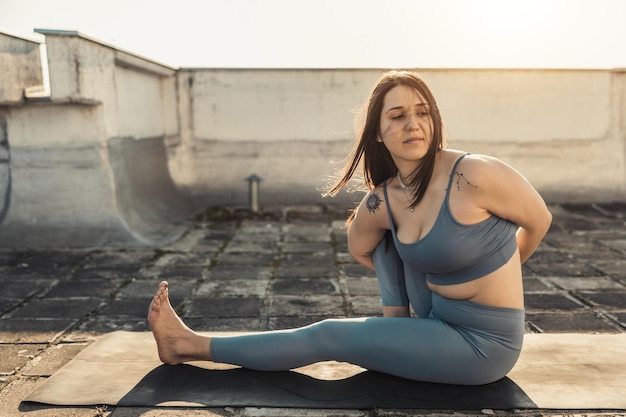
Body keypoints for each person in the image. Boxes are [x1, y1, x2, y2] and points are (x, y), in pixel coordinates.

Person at [148, 70, 552, 385]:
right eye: (398, 116)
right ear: (379, 133)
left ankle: (188, 345)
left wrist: (500, 265)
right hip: (433, 318)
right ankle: (397, 329)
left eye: (422, 112)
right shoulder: (384, 199)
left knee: (329, 335)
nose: (413, 123)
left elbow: (539, 220)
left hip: (482, 343)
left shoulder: (474, 174)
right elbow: (359, 245)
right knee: (387, 242)